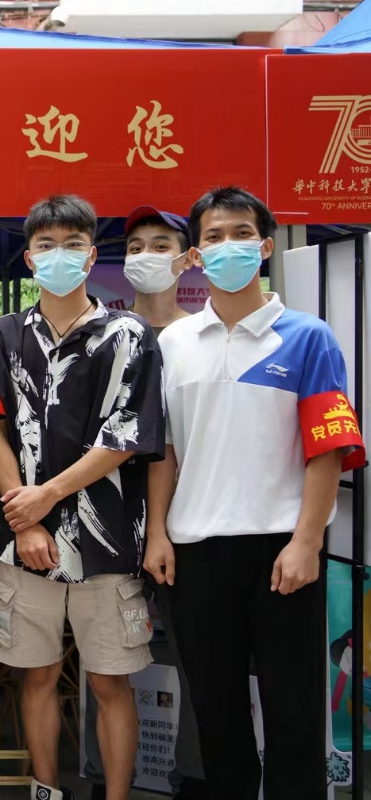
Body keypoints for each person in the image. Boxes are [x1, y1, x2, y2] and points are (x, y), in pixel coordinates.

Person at [144, 186, 366, 800]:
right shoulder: (174, 344)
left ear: (265, 247)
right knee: (218, 720)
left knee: (294, 718)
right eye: (213, 237)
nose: (228, 247)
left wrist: (306, 542)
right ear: (195, 256)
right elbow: (165, 450)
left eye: (241, 234)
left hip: (281, 554)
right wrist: (158, 532)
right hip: (195, 555)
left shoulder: (308, 336)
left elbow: (327, 448)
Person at [0, 195, 165, 800]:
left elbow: (126, 437)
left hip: (107, 541)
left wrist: (47, 498)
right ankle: (45, 790)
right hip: (22, 542)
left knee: (110, 683)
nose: (60, 255)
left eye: (73, 244)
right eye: (47, 245)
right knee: (36, 676)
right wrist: (24, 521)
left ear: (91, 255)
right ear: (30, 259)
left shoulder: (129, 336)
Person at [81, 206, 206, 800]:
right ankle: (103, 777)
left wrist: (164, 527)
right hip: (108, 528)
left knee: (198, 661)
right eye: (135, 246)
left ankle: (194, 777)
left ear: (186, 259)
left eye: (161, 245)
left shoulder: (202, 338)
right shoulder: (102, 336)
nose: (146, 256)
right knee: (104, 665)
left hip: (189, 526)